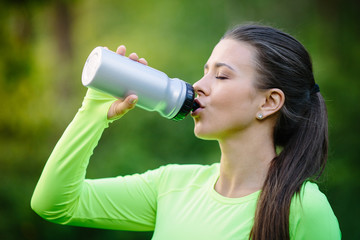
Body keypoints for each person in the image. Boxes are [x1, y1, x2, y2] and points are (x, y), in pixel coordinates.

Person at [31, 24, 341, 240]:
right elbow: (54, 203)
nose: (198, 86)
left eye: (221, 76)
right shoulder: (171, 185)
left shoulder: (303, 209)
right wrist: (94, 111)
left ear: (269, 101)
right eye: (205, 72)